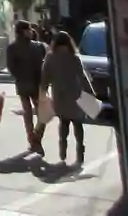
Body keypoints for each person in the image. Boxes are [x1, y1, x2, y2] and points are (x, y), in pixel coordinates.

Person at [41, 29, 95, 163]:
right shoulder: (74, 58)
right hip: (75, 95)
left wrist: (43, 90)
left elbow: (45, 76)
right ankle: (80, 149)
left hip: (59, 95)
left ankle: (63, 147)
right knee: (78, 124)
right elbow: (82, 77)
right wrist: (90, 92)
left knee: (63, 122)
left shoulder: (50, 57)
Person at [6, 20, 47, 154]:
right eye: (29, 29)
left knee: (28, 113)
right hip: (36, 84)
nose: (31, 31)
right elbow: (43, 66)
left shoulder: (12, 47)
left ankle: (32, 139)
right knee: (41, 113)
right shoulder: (38, 46)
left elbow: (11, 67)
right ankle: (36, 138)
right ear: (23, 31)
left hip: (23, 84)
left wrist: (20, 76)